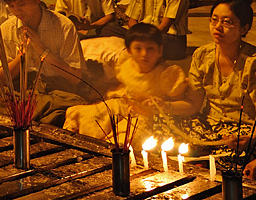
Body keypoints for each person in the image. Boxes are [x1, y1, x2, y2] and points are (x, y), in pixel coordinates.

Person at [177, 0, 256, 157]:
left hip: (244, 130)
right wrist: (164, 105)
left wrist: (252, 138)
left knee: (234, 154)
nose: (218, 26)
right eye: (214, 19)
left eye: (227, 22)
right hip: (211, 127)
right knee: (161, 123)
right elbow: (194, 104)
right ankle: (208, 151)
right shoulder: (202, 55)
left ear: (244, 28)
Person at [63, 23, 199, 147]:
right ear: (129, 50)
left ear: (160, 51)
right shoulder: (126, 63)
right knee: (81, 114)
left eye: (150, 48)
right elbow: (120, 85)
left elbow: (185, 105)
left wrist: (165, 105)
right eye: (138, 48)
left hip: (148, 118)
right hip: (123, 105)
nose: (144, 54)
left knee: (125, 139)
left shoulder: (167, 75)